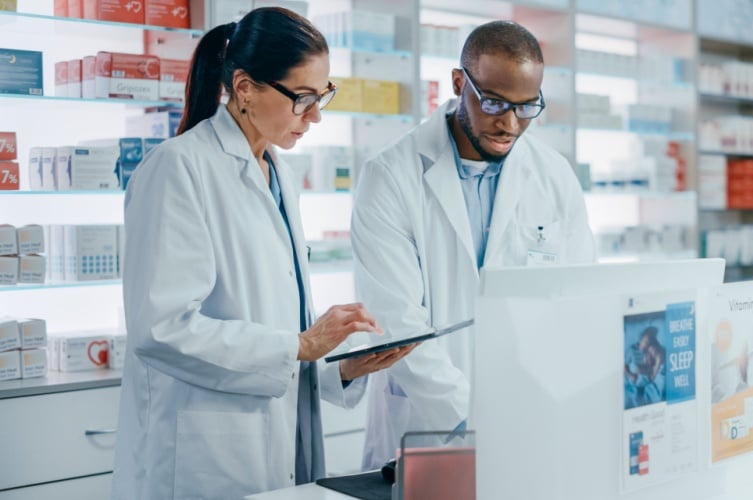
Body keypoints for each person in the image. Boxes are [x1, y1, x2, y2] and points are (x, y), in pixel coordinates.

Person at [111, 8, 414, 499]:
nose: (316, 115)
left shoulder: (278, 171)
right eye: (303, 98)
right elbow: (161, 330)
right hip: (203, 458)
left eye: (324, 95)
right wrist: (298, 346)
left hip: (275, 440)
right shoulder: (177, 169)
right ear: (246, 87)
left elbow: (272, 327)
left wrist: (339, 367)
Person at [351, 20, 597, 468]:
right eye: (493, 103)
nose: (509, 123)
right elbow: (398, 322)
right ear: (459, 83)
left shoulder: (553, 175)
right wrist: (474, 420)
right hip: (427, 426)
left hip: (531, 418)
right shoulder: (390, 175)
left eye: (526, 107)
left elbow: (577, 300)